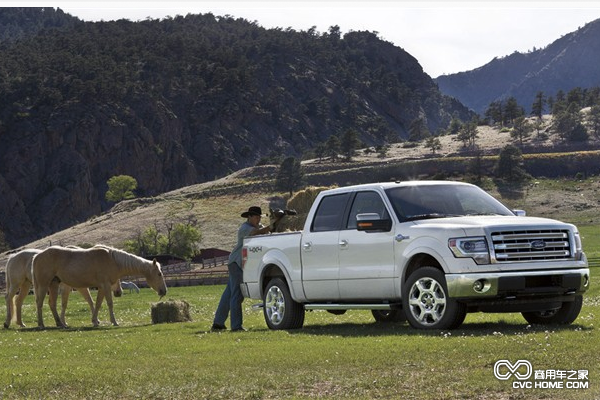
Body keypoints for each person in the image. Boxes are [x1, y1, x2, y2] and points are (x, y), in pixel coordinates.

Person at [212, 206, 281, 332]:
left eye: (259, 217)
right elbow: (256, 233)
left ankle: (218, 323)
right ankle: (236, 326)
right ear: (249, 217)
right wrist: (270, 226)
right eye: (256, 217)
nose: (258, 219)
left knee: (228, 295)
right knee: (237, 295)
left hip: (237, 264)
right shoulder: (245, 228)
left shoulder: (257, 226)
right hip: (237, 264)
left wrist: (273, 225)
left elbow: (265, 232)